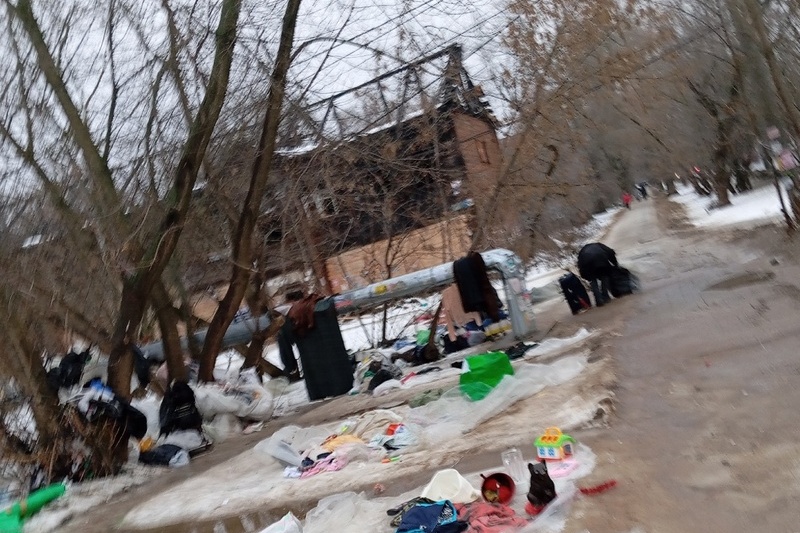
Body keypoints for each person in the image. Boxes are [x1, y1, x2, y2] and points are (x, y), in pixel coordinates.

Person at [577, 242, 618, 307]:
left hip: (589, 265)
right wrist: (615, 264)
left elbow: (580, 265)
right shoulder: (598, 245)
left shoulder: (582, 251)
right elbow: (610, 252)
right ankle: (606, 297)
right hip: (601, 262)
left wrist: (584, 276)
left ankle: (599, 300)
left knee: (593, 281)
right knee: (604, 277)